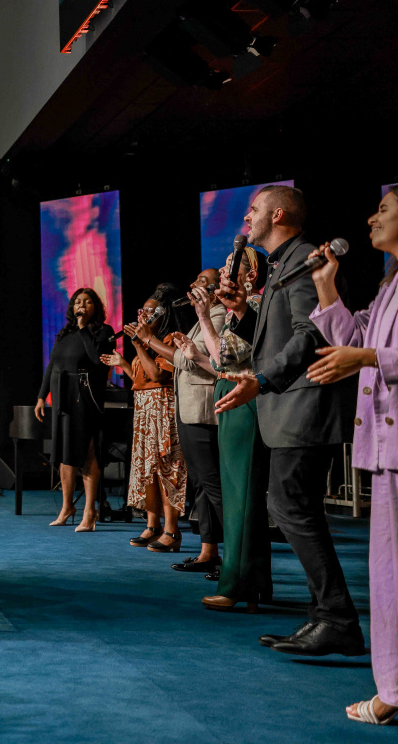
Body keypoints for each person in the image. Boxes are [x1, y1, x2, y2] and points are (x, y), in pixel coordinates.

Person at [214, 185, 361, 655]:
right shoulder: (283, 263)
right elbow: (281, 334)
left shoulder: (302, 260)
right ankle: (328, 616)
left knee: (290, 507)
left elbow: (311, 332)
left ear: (277, 214)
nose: (246, 219)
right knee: (292, 508)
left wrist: (262, 379)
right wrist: (242, 314)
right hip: (293, 407)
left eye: (253, 210)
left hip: (304, 407)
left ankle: (336, 617)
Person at [306, 184, 398, 724]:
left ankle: (393, 691)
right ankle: (394, 686)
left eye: (384, 209)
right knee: (388, 574)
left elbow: (366, 351)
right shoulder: (391, 284)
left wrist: (365, 357)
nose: (370, 218)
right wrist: (325, 285)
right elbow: (355, 335)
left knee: (393, 574)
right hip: (390, 447)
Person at [181, 250, 272, 612]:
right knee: (240, 496)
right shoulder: (241, 309)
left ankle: (237, 583)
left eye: (230, 267)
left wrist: (204, 316)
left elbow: (225, 357)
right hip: (232, 398)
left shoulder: (253, 305)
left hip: (243, 404)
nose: (222, 272)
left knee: (240, 498)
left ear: (250, 274)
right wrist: (196, 354)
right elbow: (220, 364)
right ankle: (255, 583)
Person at [104, 285, 187, 553]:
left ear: (164, 314)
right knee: (146, 470)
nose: (144, 315)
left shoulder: (171, 340)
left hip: (163, 408)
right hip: (144, 409)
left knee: (166, 469)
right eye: (143, 310)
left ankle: (172, 530)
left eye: (151, 311)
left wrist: (140, 343)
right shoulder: (147, 342)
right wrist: (123, 363)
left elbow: (156, 375)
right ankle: (152, 526)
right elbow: (140, 380)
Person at [153, 269, 225, 574]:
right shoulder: (201, 317)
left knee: (213, 485)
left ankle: (238, 555)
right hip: (188, 410)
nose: (193, 284)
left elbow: (192, 360)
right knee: (201, 486)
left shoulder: (219, 315)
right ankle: (208, 552)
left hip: (203, 411)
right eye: (194, 280)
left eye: (201, 281)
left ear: (214, 288)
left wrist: (153, 341)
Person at [35, 288, 114, 530]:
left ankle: (89, 512)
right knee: (64, 454)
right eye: (78, 301)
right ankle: (67, 507)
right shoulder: (65, 332)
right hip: (62, 398)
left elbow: (96, 359)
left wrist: (83, 328)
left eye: (88, 302)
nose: (82, 305)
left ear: (95, 307)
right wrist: (41, 396)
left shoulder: (104, 332)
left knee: (88, 453)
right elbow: (53, 364)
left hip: (85, 397)